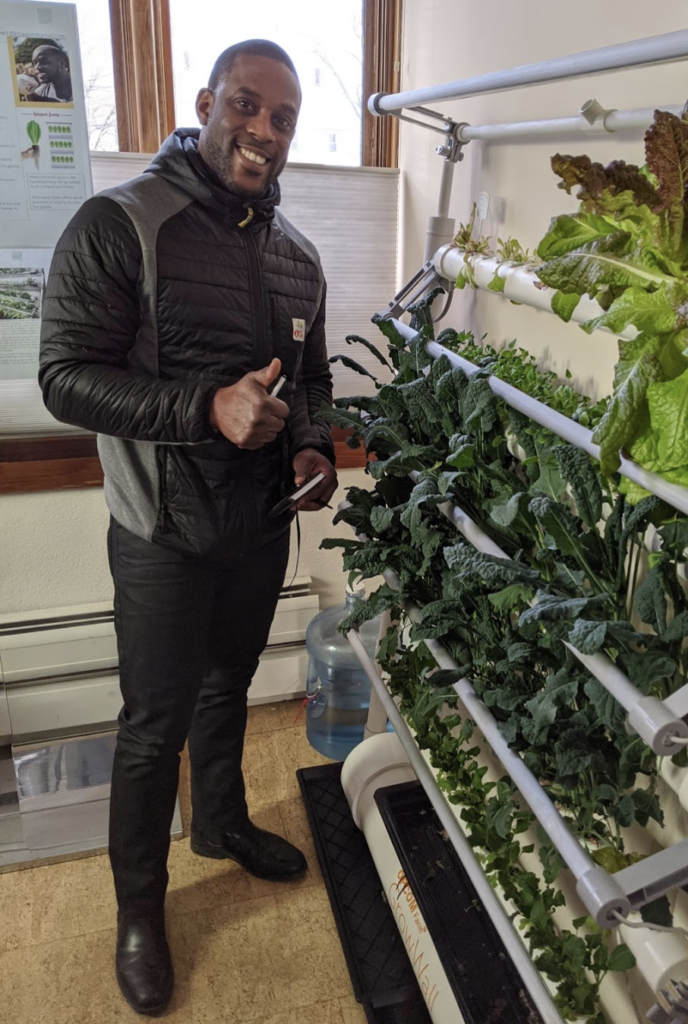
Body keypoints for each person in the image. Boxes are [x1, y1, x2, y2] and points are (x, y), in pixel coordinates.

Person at [39, 39, 338, 1017]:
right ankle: (140, 909)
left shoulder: (298, 261)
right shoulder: (120, 223)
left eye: (282, 118)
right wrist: (202, 409)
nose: (262, 131)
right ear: (206, 100)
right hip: (161, 532)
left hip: (257, 530)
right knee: (149, 727)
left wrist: (309, 452)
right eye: (246, 106)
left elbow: (314, 385)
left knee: (229, 690)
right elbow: (65, 377)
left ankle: (220, 825)